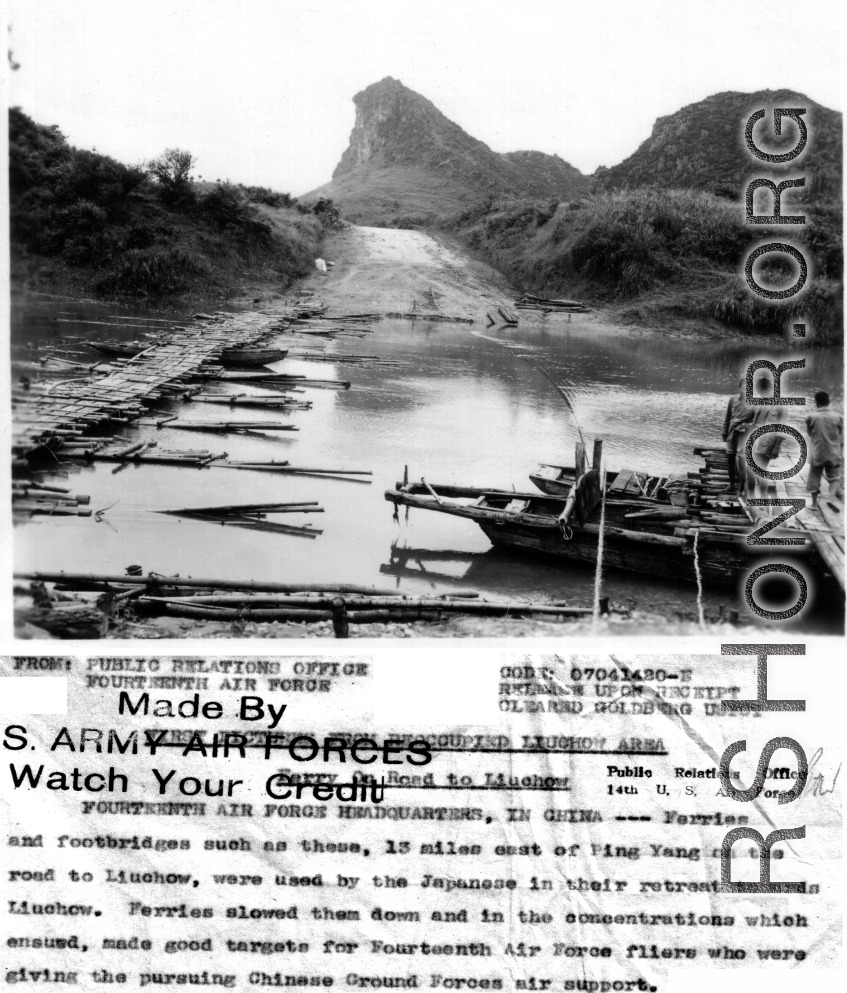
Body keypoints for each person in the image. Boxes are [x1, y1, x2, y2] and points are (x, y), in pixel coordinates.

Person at [805, 391, 843, 504]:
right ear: (828, 401)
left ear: (816, 403)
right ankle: (831, 498)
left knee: (814, 478)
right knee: (834, 477)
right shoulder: (839, 417)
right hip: (833, 452)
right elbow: (841, 435)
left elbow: (810, 434)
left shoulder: (811, 417)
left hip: (818, 452)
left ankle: (814, 504)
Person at [722, 378, 754, 493]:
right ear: (739, 387)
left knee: (741, 460)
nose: (746, 390)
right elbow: (727, 417)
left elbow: (755, 422)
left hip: (744, 435)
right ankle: (731, 484)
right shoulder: (732, 400)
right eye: (744, 388)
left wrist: (744, 425)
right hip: (731, 432)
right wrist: (724, 432)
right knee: (730, 458)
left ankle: (741, 487)